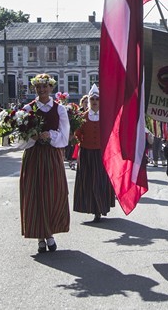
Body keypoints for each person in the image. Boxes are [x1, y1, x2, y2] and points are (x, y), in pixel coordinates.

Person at [19, 73, 70, 254]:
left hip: (51, 155)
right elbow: (21, 139)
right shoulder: (27, 109)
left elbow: (64, 136)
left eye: (45, 86)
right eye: (38, 87)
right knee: (35, 194)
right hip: (33, 156)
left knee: (53, 193)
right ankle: (41, 237)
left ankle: (49, 233)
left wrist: (51, 135)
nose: (42, 90)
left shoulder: (60, 110)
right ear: (35, 89)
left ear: (51, 88)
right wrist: (31, 137)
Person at [72, 85, 115, 222]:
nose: (95, 101)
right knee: (89, 182)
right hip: (87, 154)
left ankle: (100, 208)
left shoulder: (106, 116)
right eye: (92, 99)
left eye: (97, 99)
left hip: (102, 154)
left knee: (101, 181)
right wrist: (82, 143)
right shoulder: (83, 117)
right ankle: (92, 208)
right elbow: (77, 133)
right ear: (89, 101)